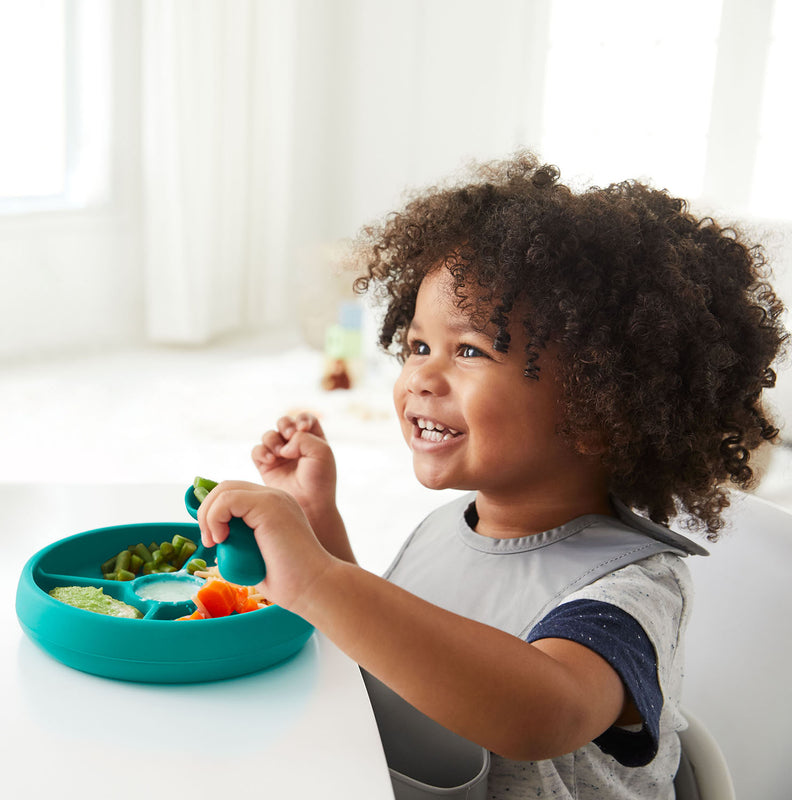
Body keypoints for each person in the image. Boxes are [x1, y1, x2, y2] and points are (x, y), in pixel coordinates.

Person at [197, 152, 786, 799]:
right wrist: (320, 529)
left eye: (470, 351)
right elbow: (399, 653)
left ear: (595, 409)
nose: (420, 375)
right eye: (418, 346)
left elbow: (541, 713)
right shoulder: (448, 528)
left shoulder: (629, 591)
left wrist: (318, 579)